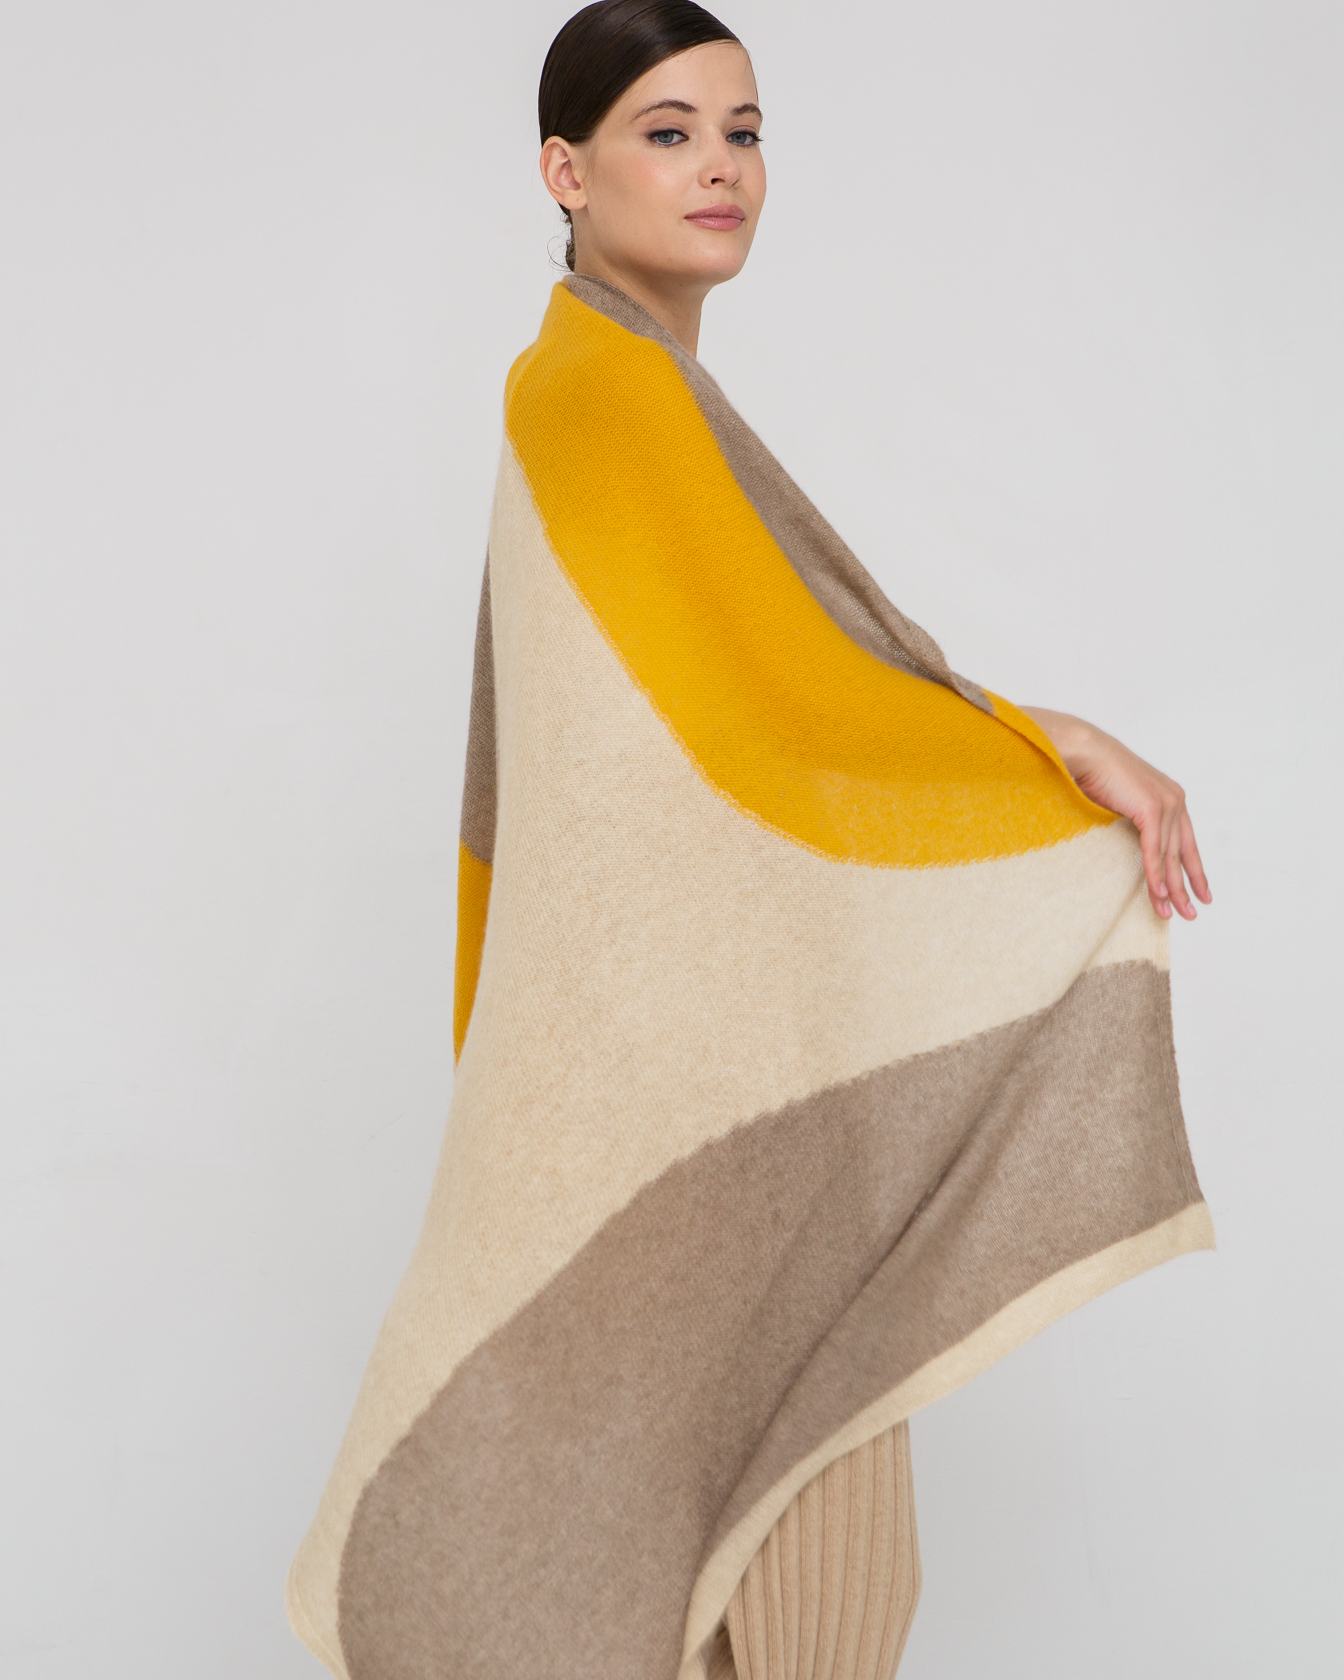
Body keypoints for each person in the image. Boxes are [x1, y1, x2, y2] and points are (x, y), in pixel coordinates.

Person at [286, 7, 1213, 1679]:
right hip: (699, 1114)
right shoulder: (602, 399)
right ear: (565, 172)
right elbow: (788, 731)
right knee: (788, 1610)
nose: (720, 166)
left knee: (750, 1603)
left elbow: (774, 712)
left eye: (745, 130)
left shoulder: (621, 391)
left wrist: (1024, 734)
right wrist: (1044, 747)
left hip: (721, 1096)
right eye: (668, 131)